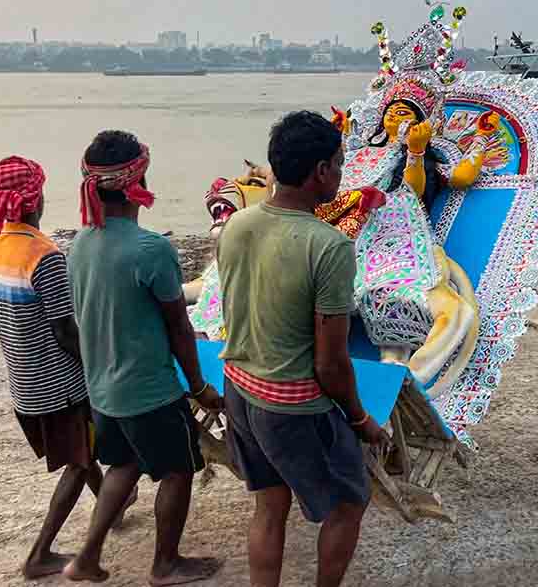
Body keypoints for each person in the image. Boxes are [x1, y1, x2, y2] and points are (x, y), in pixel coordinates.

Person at [217, 111, 391, 587]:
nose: (340, 173)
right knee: (349, 500)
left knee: (270, 504)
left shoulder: (238, 224)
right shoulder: (329, 245)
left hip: (240, 389)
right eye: (338, 164)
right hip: (292, 406)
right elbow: (330, 363)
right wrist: (361, 420)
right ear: (319, 171)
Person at [63, 131, 223, 586]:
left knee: (124, 465)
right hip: (150, 390)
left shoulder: (81, 244)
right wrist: (199, 387)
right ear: (138, 181)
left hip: (104, 388)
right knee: (177, 470)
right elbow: (179, 329)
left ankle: (86, 558)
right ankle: (166, 563)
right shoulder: (151, 249)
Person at [0, 156, 134, 579]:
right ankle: (40, 554)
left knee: (83, 449)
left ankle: (111, 512)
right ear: (34, 197)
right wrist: (100, 365)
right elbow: (65, 332)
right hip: (59, 385)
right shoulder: (44, 255)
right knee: (80, 462)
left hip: (24, 384)